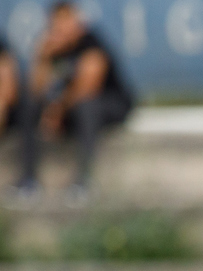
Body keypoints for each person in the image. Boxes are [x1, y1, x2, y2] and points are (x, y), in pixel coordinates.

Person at [14, 2, 134, 198]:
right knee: (27, 104)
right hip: (65, 108)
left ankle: (84, 181)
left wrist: (56, 113)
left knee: (87, 106)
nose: (62, 28)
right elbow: (35, 90)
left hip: (109, 105)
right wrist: (42, 57)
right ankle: (29, 180)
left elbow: (87, 88)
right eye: (57, 24)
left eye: (67, 22)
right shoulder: (51, 47)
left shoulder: (91, 43)